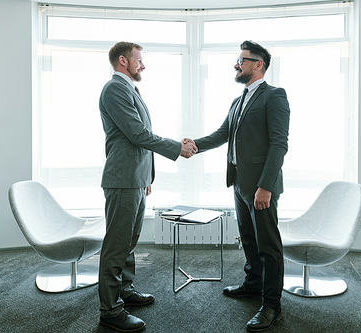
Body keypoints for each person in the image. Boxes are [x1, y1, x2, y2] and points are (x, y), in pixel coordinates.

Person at [184, 40, 290, 332]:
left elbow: (279, 144)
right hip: (240, 184)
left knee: (269, 246)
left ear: (259, 64)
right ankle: (253, 284)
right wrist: (193, 145)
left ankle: (272, 306)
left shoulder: (274, 95)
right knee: (249, 239)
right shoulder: (238, 100)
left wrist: (266, 186)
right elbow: (222, 134)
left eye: (242, 60)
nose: (236, 64)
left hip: (260, 187)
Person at [98, 41, 197, 332]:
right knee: (117, 246)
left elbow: (137, 139)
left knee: (128, 242)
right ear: (122, 61)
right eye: (138, 59)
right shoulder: (115, 89)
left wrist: (146, 178)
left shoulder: (129, 89)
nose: (143, 65)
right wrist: (177, 147)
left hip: (135, 179)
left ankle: (124, 291)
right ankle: (110, 309)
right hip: (122, 180)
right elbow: (138, 134)